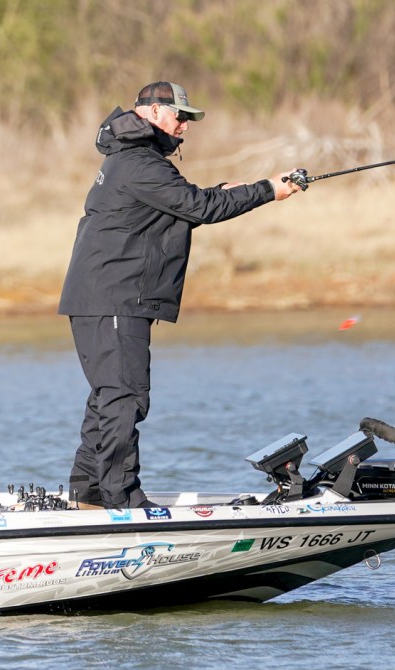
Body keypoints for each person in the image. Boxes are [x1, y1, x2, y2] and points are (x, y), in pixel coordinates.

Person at [58, 81, 303, 509]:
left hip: (103, 298)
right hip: (114, 299)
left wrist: (225, 191)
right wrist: (268, 190)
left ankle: (91, 492)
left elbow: (183, 204)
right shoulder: (139, 162)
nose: (185, 127)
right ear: (153, 111)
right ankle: (122, 499)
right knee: (125, 396)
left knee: (109, 397)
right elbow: (200, 208)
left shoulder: (130, 158)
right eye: (180, 116)